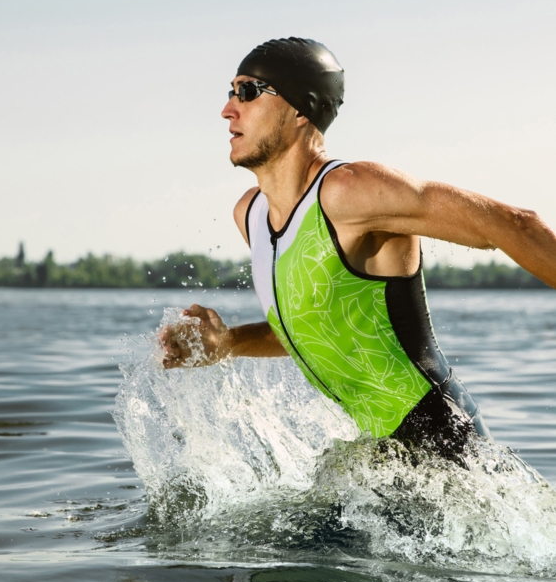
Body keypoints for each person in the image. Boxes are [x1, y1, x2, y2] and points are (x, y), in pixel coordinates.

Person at [160, 37, 556, 459]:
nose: (228, 109)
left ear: (299, 109)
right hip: (381, 459)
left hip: (445, 449)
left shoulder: (348, 192)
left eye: (249, 92)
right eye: (230, 92)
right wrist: (229, 343)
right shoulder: (252, 215)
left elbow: (512, 223)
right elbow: (318, 325)